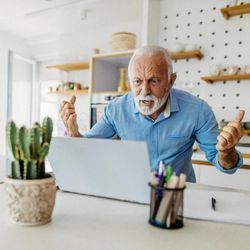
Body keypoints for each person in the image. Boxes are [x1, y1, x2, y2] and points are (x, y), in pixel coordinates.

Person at [60, 45, 244, 182]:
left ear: (171, 81)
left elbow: (225, 165)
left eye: (154, 81)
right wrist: (74, 133)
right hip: (131, 190)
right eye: (137, 81)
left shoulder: (197, 110)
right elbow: (89, 148)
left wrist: (227, 152)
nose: (144, 90)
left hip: (178, 194)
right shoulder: (115, 109)